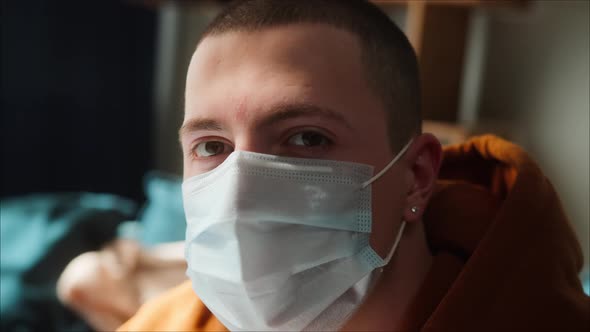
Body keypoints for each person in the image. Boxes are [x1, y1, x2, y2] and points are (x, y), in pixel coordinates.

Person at [118, 0, 589, 331]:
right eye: (211, 147)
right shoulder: (166, 324)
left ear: (417, 176)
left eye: (307, 137)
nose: (239, 194)